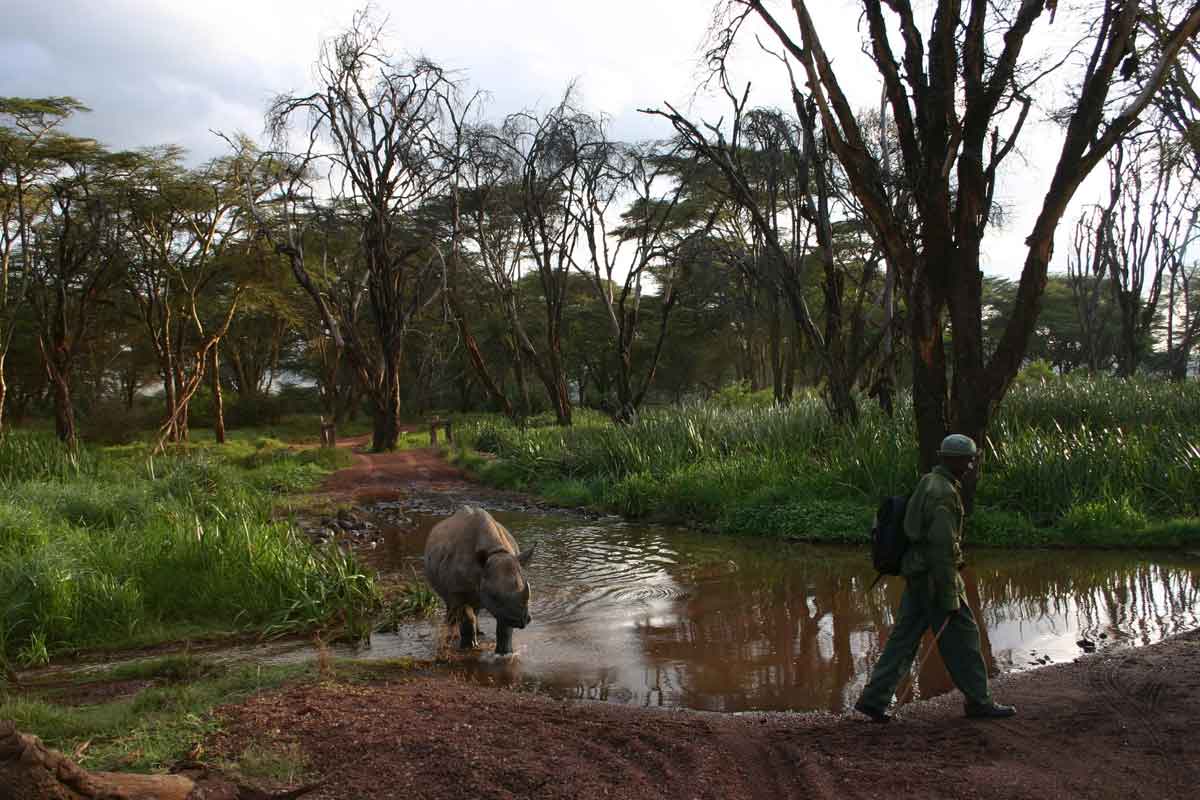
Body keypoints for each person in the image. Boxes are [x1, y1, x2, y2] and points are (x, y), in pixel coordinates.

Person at [854, 434, 1016, 723]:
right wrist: (949, 595)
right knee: (965, 638)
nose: (970, 465)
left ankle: (874, 699)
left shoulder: (929, 481)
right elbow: (941, 549)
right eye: (967, 459)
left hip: (917, 574)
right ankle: (979, 702)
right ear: (951, 459)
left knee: (903, 640)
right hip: (934, 577)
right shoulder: (943, 493)